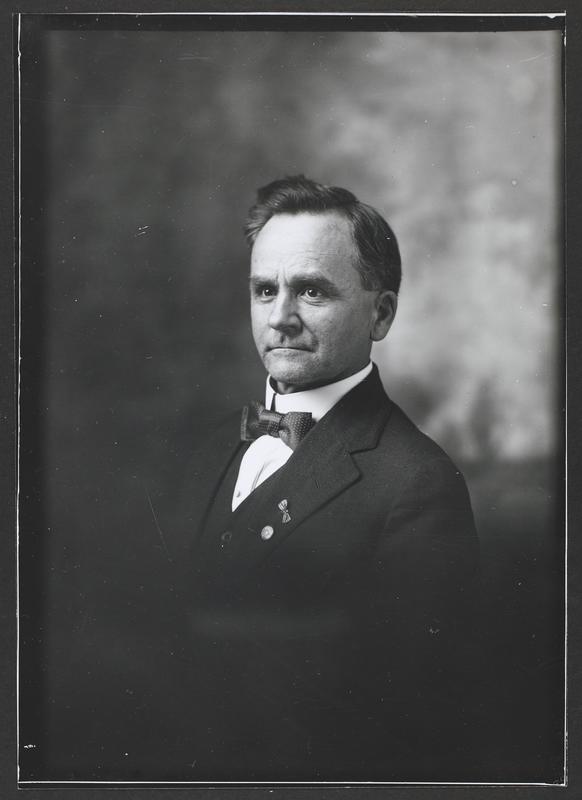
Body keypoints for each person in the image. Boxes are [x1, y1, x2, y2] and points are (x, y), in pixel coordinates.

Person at [159, 176, 481, 781]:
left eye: (311, 291)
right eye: (265, 290)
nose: (280, 318)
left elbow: (414, 724)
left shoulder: (418, 483)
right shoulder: (205, 449)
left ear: (380, 313)